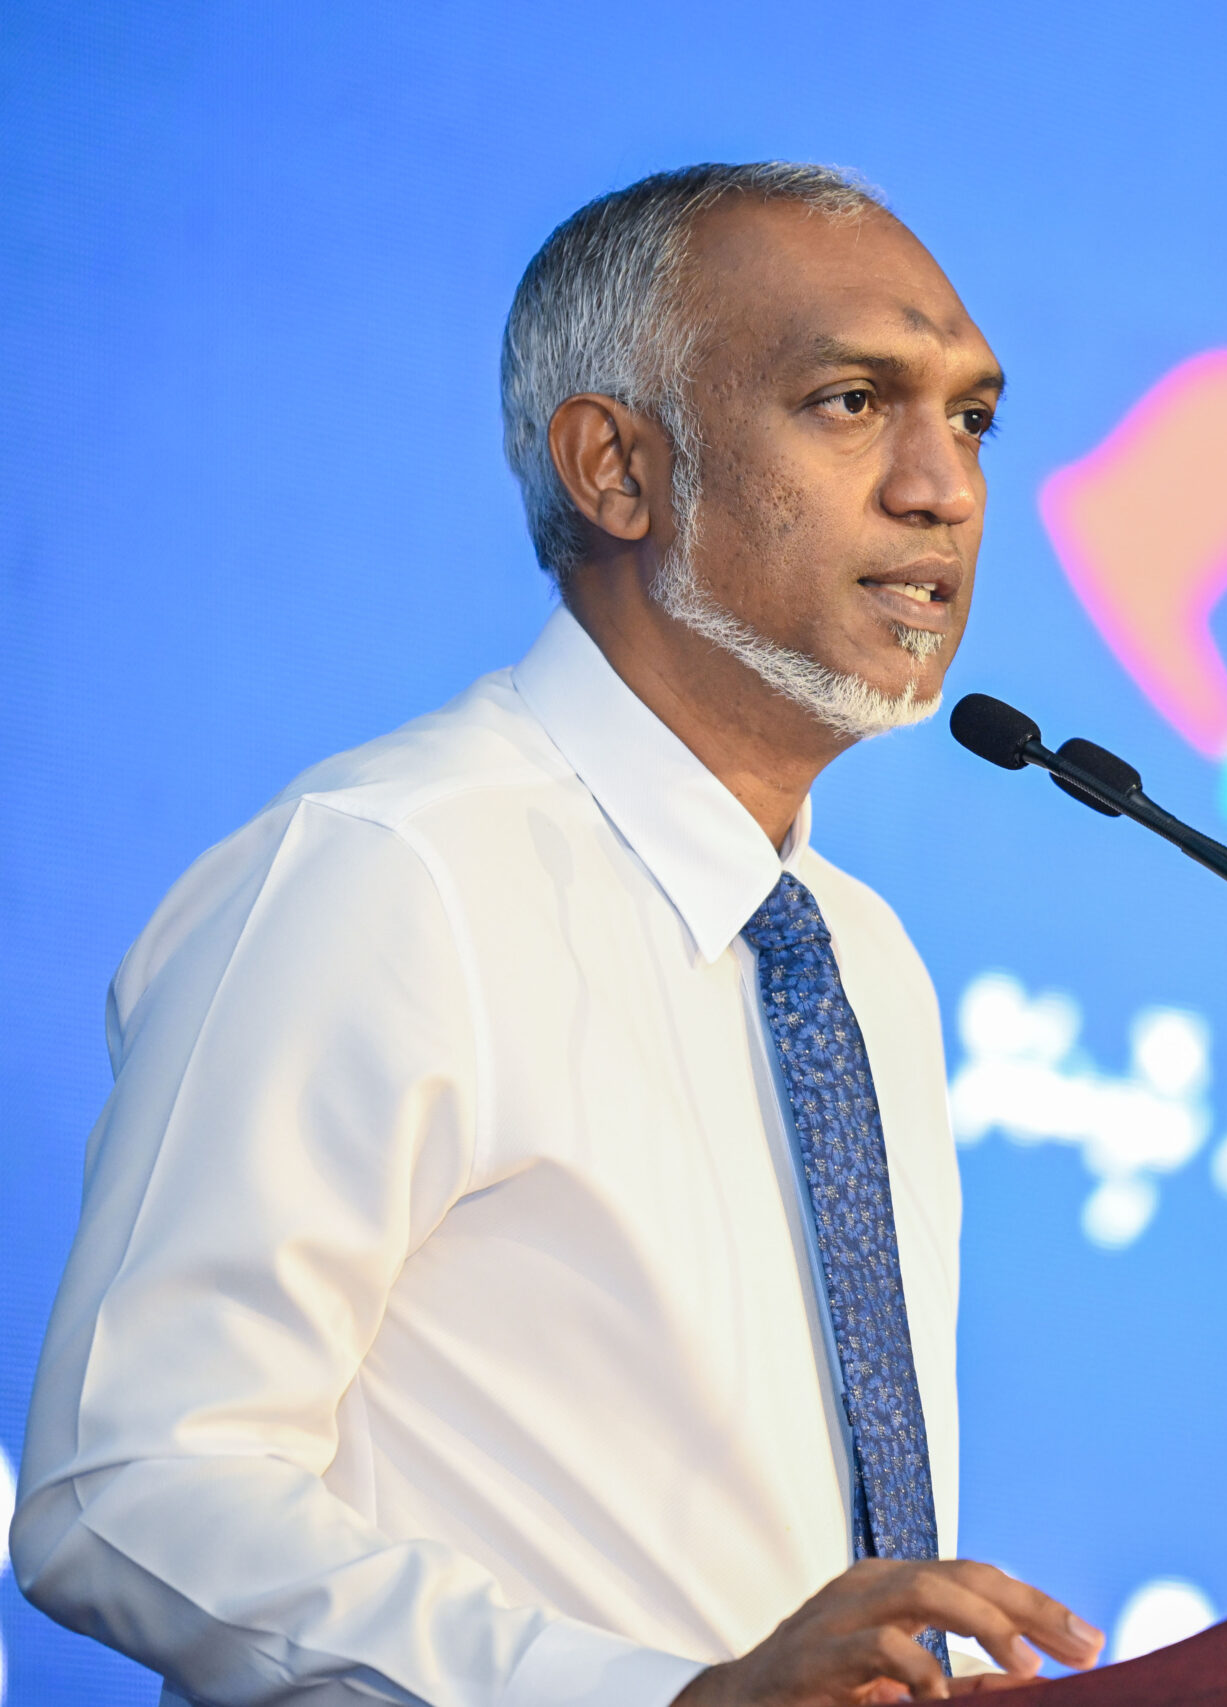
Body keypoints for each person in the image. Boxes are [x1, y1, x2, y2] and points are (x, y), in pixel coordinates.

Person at [9, 162, 1104, 1707]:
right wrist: (667, 1699)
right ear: (615, 468)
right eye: (854, 403)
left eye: (973, 419)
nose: (946, 488)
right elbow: (127, 1490)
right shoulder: (389, 876)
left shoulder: (861, 961)